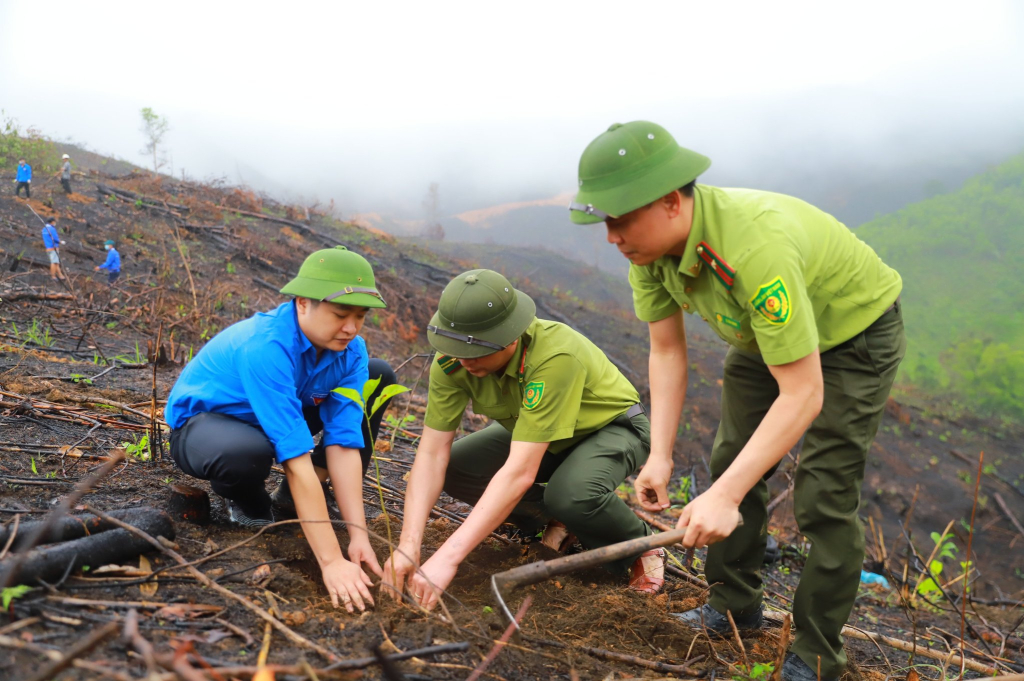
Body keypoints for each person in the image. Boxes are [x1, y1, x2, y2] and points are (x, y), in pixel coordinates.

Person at [569, 121, 905, 681]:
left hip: (852, 335)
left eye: (621, 220)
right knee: (733, 461)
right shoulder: (650, 255)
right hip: (760, 335)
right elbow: (667, 352)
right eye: (605, 222)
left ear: (672, 202)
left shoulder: (754, 248)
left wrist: (724, 497)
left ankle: (817, 653)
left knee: (824, 492)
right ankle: (734, 605)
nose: (612, 236)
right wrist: (660, 454)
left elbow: (804, 393)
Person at [381, 269, 661, 612]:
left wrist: (447, 559)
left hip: (608, 428)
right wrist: (409, 545)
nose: (465, 361)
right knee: (458, 467)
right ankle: (554, 520)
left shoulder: (553, 357)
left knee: (570, 495)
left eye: (478, 351)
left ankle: (639, 543)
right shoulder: (453, 361)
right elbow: (431, 454)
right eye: (456, 348)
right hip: (535, 431)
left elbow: (519, 471)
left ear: (510, 337)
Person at [164, 246, 398, 613]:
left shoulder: (352, 351)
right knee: (246, 453)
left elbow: (345, 444)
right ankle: (246, 502)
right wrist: (331, 562)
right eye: (340, 314)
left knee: (379, 374)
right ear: (303, 303)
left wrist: (358, 535)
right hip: (208, 429)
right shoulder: (267, 346)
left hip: (280, 415)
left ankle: (292, 498)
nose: (351, 328)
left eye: (360, 316)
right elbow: (294, 457)